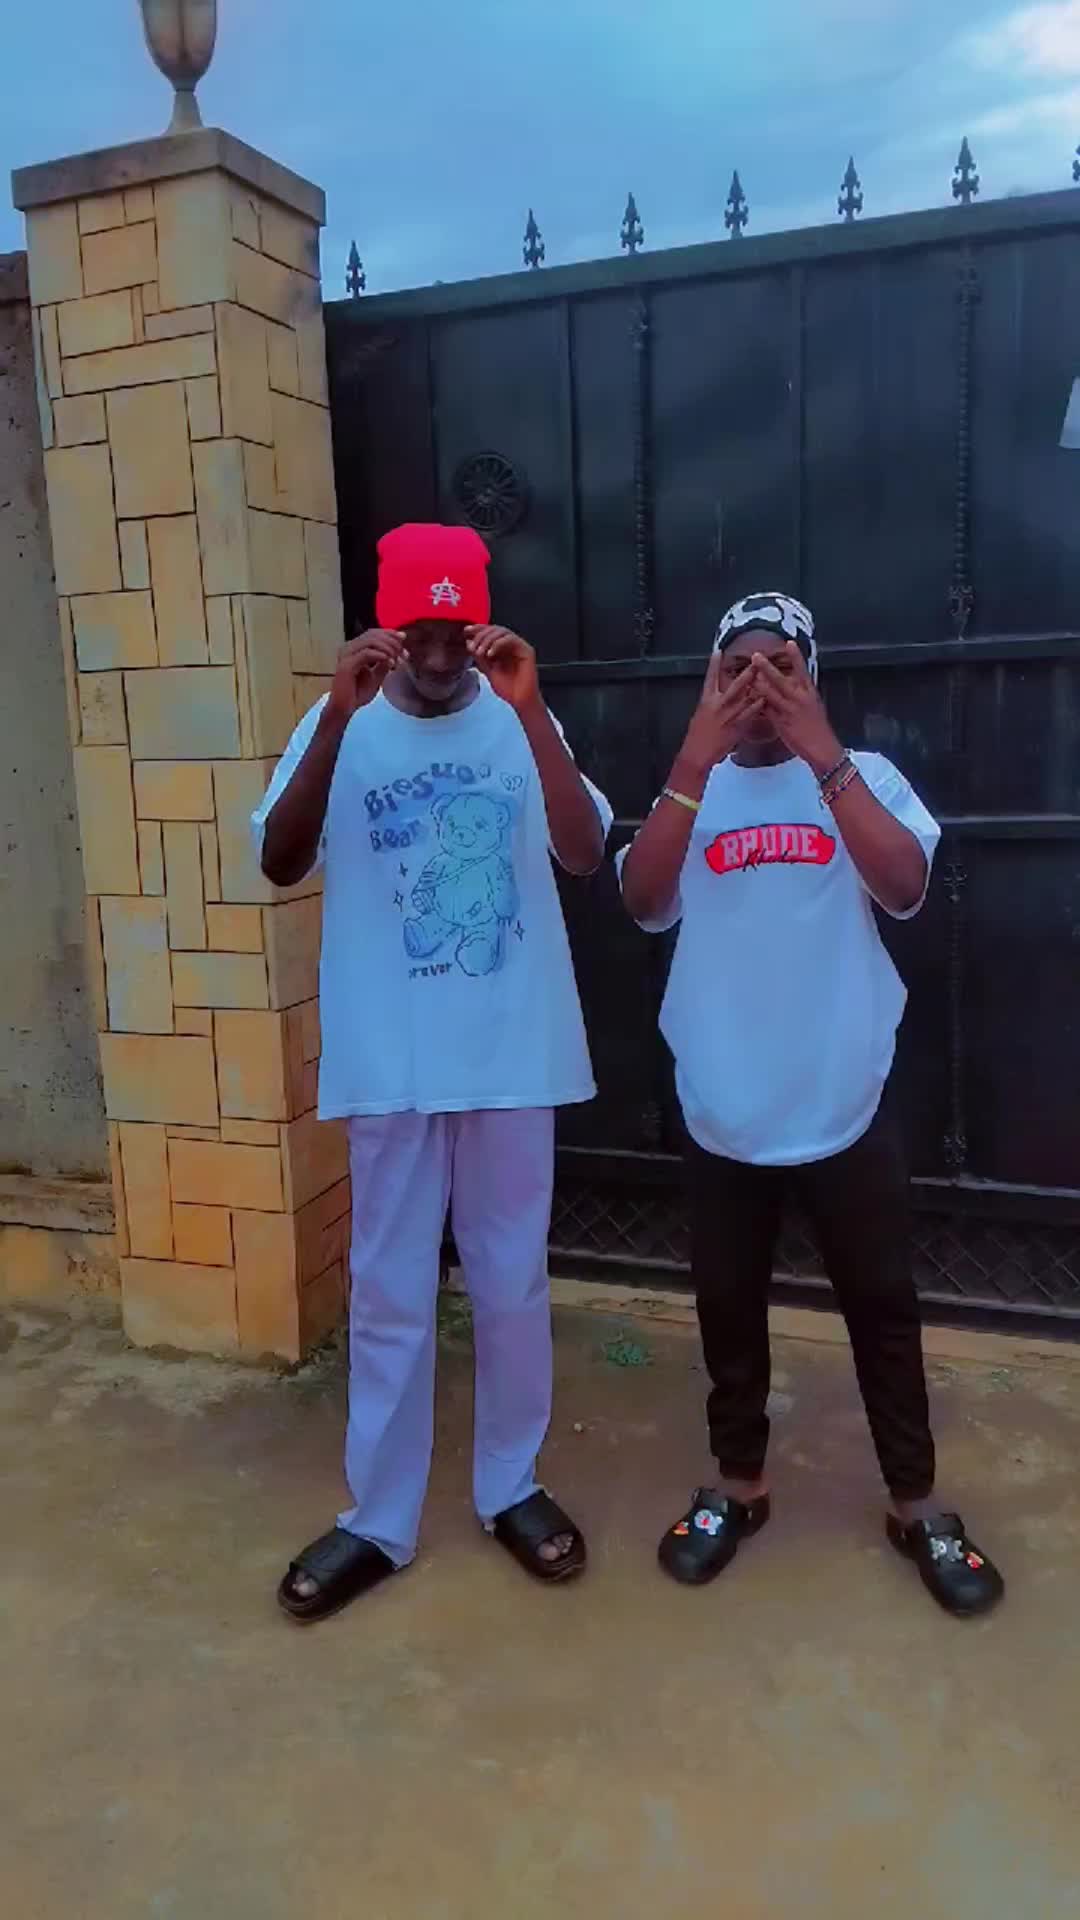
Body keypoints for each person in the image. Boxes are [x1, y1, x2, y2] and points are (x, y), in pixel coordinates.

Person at [617, 591, 1003, 1617]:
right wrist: (693, 758)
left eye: (780, 667)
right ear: (709, 680)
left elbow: (906, 886)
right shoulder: (692, 789)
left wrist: (822, 753)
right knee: (728, 1306)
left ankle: (915, 1503)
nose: (758, 686)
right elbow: (643, 901)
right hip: (724, 1099)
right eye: (736, 668)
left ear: (814, 676)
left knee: (882, 1307)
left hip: (843, 1095)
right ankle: (739, 1486)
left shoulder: (863, 775)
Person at [255, 523, 612, 1623]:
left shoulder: (516, 714)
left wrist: (532, 710)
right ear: (388, 626)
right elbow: (279, 858)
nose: (443, 653)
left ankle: (511, 1486)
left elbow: (583, 851)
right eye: (422, 631)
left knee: (511, 1284)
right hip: (394, 1059)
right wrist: (333, 719)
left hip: (510, 1052)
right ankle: (380, 1518)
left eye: (458, 628)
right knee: (390, 1293)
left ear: (481, 621)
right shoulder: (345, 721)